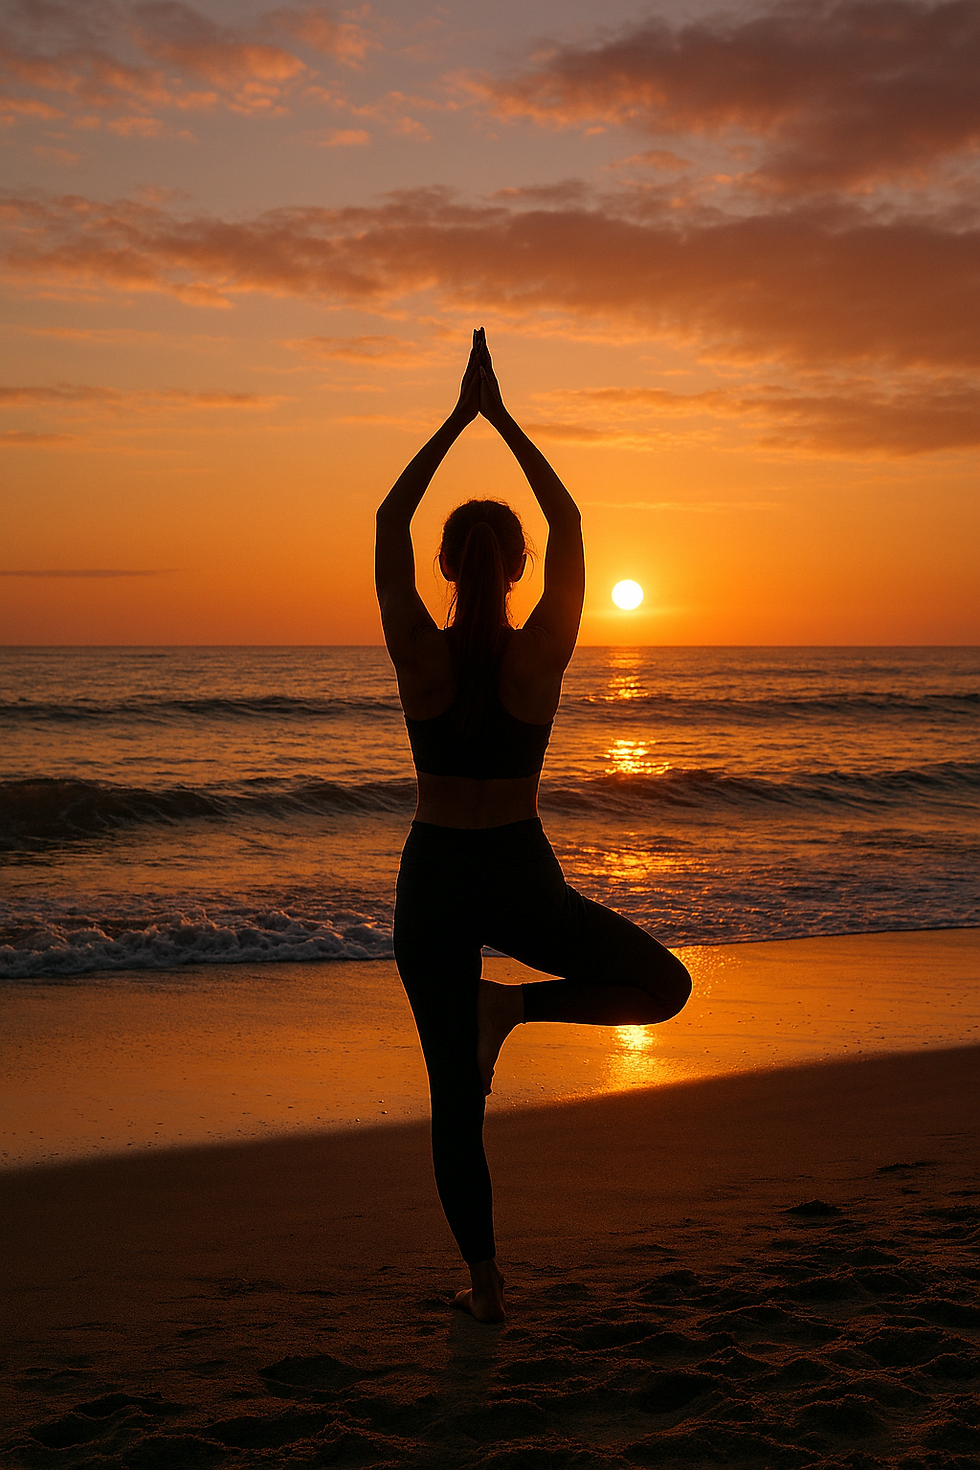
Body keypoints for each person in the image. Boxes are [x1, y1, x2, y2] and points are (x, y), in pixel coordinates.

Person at [375, 329, 692, 1323]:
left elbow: (387, 518)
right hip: (515, 870)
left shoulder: (418, 657)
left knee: (450, 1101)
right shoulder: (537, 658)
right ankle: (512, 1009)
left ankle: (484, 1285)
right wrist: (501, 419)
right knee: (663, 987)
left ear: (443, 563)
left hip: (433, 874)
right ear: (515, 567)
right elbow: (572, 521)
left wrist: (451, 421)